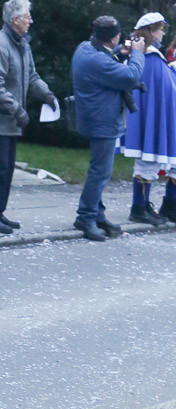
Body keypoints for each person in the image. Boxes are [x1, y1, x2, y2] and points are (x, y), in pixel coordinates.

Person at [0, 0, 57, 235]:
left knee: (7, 169)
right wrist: (16, 108)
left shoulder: (22, 44)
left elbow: (31, 76)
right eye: (27, 17)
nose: (31, 21)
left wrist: (47, 94)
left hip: (11, 121)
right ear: (15, 20)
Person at [72, 16, 146, 241]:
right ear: (114, 37)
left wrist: (120, 54)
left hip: (95, 117)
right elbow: (131, 75)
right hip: (101, 121)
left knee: (99, 170)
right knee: (100, 172)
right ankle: (86, 216)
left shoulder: (85, 48)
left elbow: (107, 64)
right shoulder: (98, 61)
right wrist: (137, 52)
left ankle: (97, 213)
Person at [120, 12, 176, 225]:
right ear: (152, 30)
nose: (164, 33)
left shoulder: (153, 56)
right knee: (147, 161)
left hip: (158, 115)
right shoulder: (148, 56)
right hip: (148, 116)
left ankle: (157, 206)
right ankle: (139, 207)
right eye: (161, 29)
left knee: (154, 162)